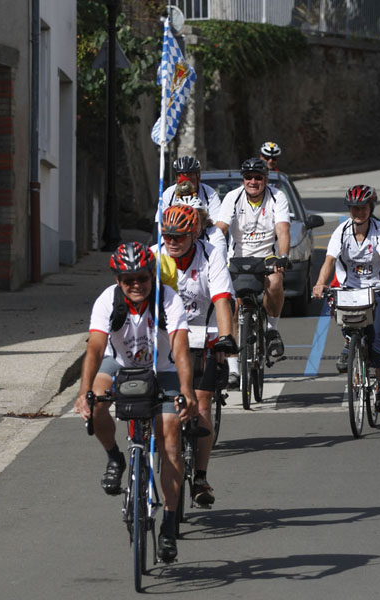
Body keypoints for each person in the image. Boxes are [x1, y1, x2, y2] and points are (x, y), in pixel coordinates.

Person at [74, 241, 196, 562]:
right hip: (120, 364)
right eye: (128, 280)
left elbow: (181, 349)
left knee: (170, 438)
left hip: (163, 368)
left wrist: (187, 391)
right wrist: (84, 392)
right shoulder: (108, 300)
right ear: (118, 280)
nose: (136, 285)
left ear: (151, 274)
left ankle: (168, 523)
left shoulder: (168, 299)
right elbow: (95, 348)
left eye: (142, 278)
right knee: (97, 404)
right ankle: (115, 457)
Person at [153, 204, 237, 506]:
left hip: (206, 333)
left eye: (179, 236)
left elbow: (223, 299)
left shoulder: (211, 255)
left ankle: (200, 477)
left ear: (194, 234)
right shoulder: (155, 256)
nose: (172, 242)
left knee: (201, 405)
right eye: (167, 236)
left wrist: (226, 339)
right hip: (166, 337)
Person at [313, 185, 380, 410]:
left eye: (363, 207)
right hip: (349, 290)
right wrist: (320, 283)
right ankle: (350, 345)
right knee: (346, 322)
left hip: (378, 289)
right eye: (354, 208)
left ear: (370, 208)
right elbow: (329, 261)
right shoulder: (341, 231)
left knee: (379, 336)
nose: (359, 212)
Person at [215, 157, 291, 388]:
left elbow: (283, 230)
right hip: (238, 257)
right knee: (232, 305)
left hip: (267, 256)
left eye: (258, 177)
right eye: (248, 177)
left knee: (275, 283)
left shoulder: (277, 196)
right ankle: (233, 369)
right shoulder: (232, 197)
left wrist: (283, 256)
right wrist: (209, 251)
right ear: (243, 180)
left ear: (265, 179)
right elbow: (221, 228)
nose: (253, 181)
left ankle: (271, 329)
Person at [172, 180, 228, 256]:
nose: (189, 223)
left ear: (202, 218)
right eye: (183, 218)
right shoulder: (169, 238)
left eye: (194, 217)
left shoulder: (214, 234)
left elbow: (218, 258)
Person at [161, 156, 223, 221]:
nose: (185, 181)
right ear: (176, 178)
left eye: (190, 175)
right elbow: (159, 220)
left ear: (198, 177)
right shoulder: (169, 194)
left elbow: (216, 220)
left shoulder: (209, 193)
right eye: (181, 176)